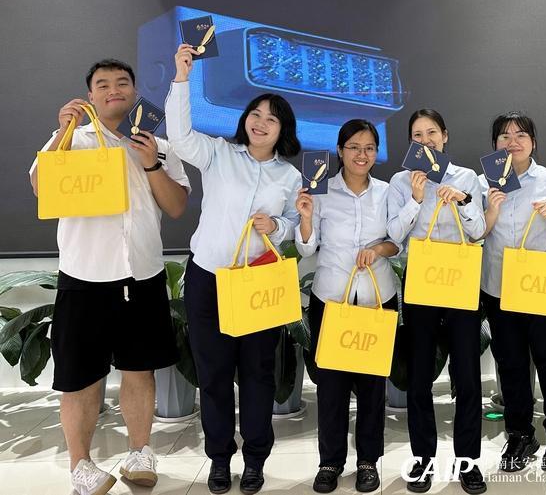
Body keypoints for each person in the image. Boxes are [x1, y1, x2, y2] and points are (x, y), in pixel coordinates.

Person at [29, 59, 190, 495]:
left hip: (142, 274)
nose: (113, 89)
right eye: (102, 84)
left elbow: (177, 206)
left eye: (122, 82)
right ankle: (81, 466)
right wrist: (62, 131)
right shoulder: (71, 140)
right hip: (84, 275)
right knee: (80, 377)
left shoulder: (157, 144)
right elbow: (41, 186)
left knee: (140, 369)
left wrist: (152, 164)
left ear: (134, 91)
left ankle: (140, 452)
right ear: (90, 95)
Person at [166, 44, 302, 495]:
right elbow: (180, 136)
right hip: (208, 279)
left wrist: (277, 225)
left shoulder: (289, 176)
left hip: (257, 282)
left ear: (282, 130)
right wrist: (182, 77)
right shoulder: (218, 153)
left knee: (259, 374)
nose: (260, 122)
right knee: (214, 375)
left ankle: (256, 459)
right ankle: (220, 459)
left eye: (271, 119)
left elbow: (293, 225)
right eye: (255, 114)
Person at [295, 119, 401, 494]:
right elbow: (307, 248)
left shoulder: (387, 192)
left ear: (376, 152)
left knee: (373, 387)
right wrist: (306, 217)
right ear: (340, 151)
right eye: (354, 147)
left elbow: (397, 241)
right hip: (331, 300)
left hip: (376, 300)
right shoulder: (321, 191)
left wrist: (378, 249)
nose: (362, 154)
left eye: (369, 147)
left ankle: (368, 461)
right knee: (331, 387)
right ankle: (330, 462)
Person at [387, 109, 487, 495]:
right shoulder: (400, 181)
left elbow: (478, 231)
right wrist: (416, 198)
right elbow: (395, 236)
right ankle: (423, 459)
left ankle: (468, 461)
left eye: (432, 133)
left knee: (467, 374)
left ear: (444, 136)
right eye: (418, 134)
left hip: (461, 279)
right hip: (422, 282)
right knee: (419, 376)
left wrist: (462, 200)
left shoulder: (466, 177)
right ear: (410, 141)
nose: (426, 140)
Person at [478, 112, 546, 474]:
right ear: (495, 144)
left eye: (520, 135)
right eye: (504, 136)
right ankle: (520, 434)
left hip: (540, 287)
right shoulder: (482, 183)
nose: (512, 142)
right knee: (511, 364)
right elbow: (474, 233)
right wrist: (490, 209)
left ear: (533, 142)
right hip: (498, 286)